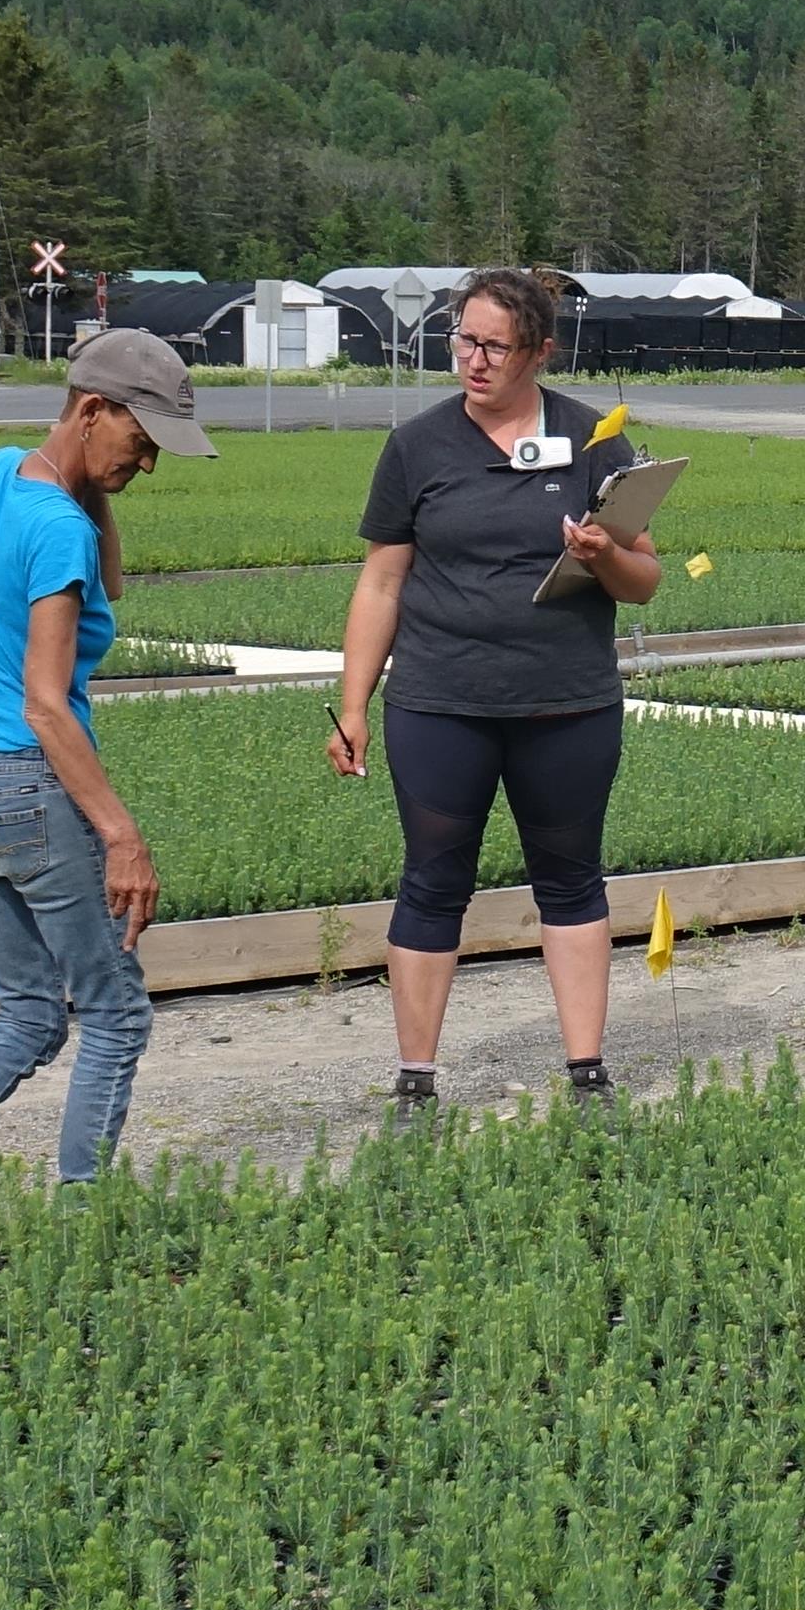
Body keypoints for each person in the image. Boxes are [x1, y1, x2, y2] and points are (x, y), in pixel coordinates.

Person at [0, 329, 219, 1234]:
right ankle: (82, 1220)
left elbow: (112, 583)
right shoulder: (58, 526)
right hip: (33, 786)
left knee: (28, 1016)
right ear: (93, 408)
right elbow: (47, 705)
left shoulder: (4, 473)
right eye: (141, 440)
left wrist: (98, 480)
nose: (148, 463)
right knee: (116, 1014)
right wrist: (121, 834)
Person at [327, 267, 659, 1111]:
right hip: (440, 704)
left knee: (571, 882)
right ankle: (416, 1080)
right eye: (464, 340)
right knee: (433, 882)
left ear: (539, 352)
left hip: (568, 704)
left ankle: (587, 1072)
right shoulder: (417, 446)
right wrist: (354, 703)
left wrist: (603, 556)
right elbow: (381, 583)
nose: (474, 360)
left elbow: (644, 580)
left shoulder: (595, 440)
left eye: (495, 347)